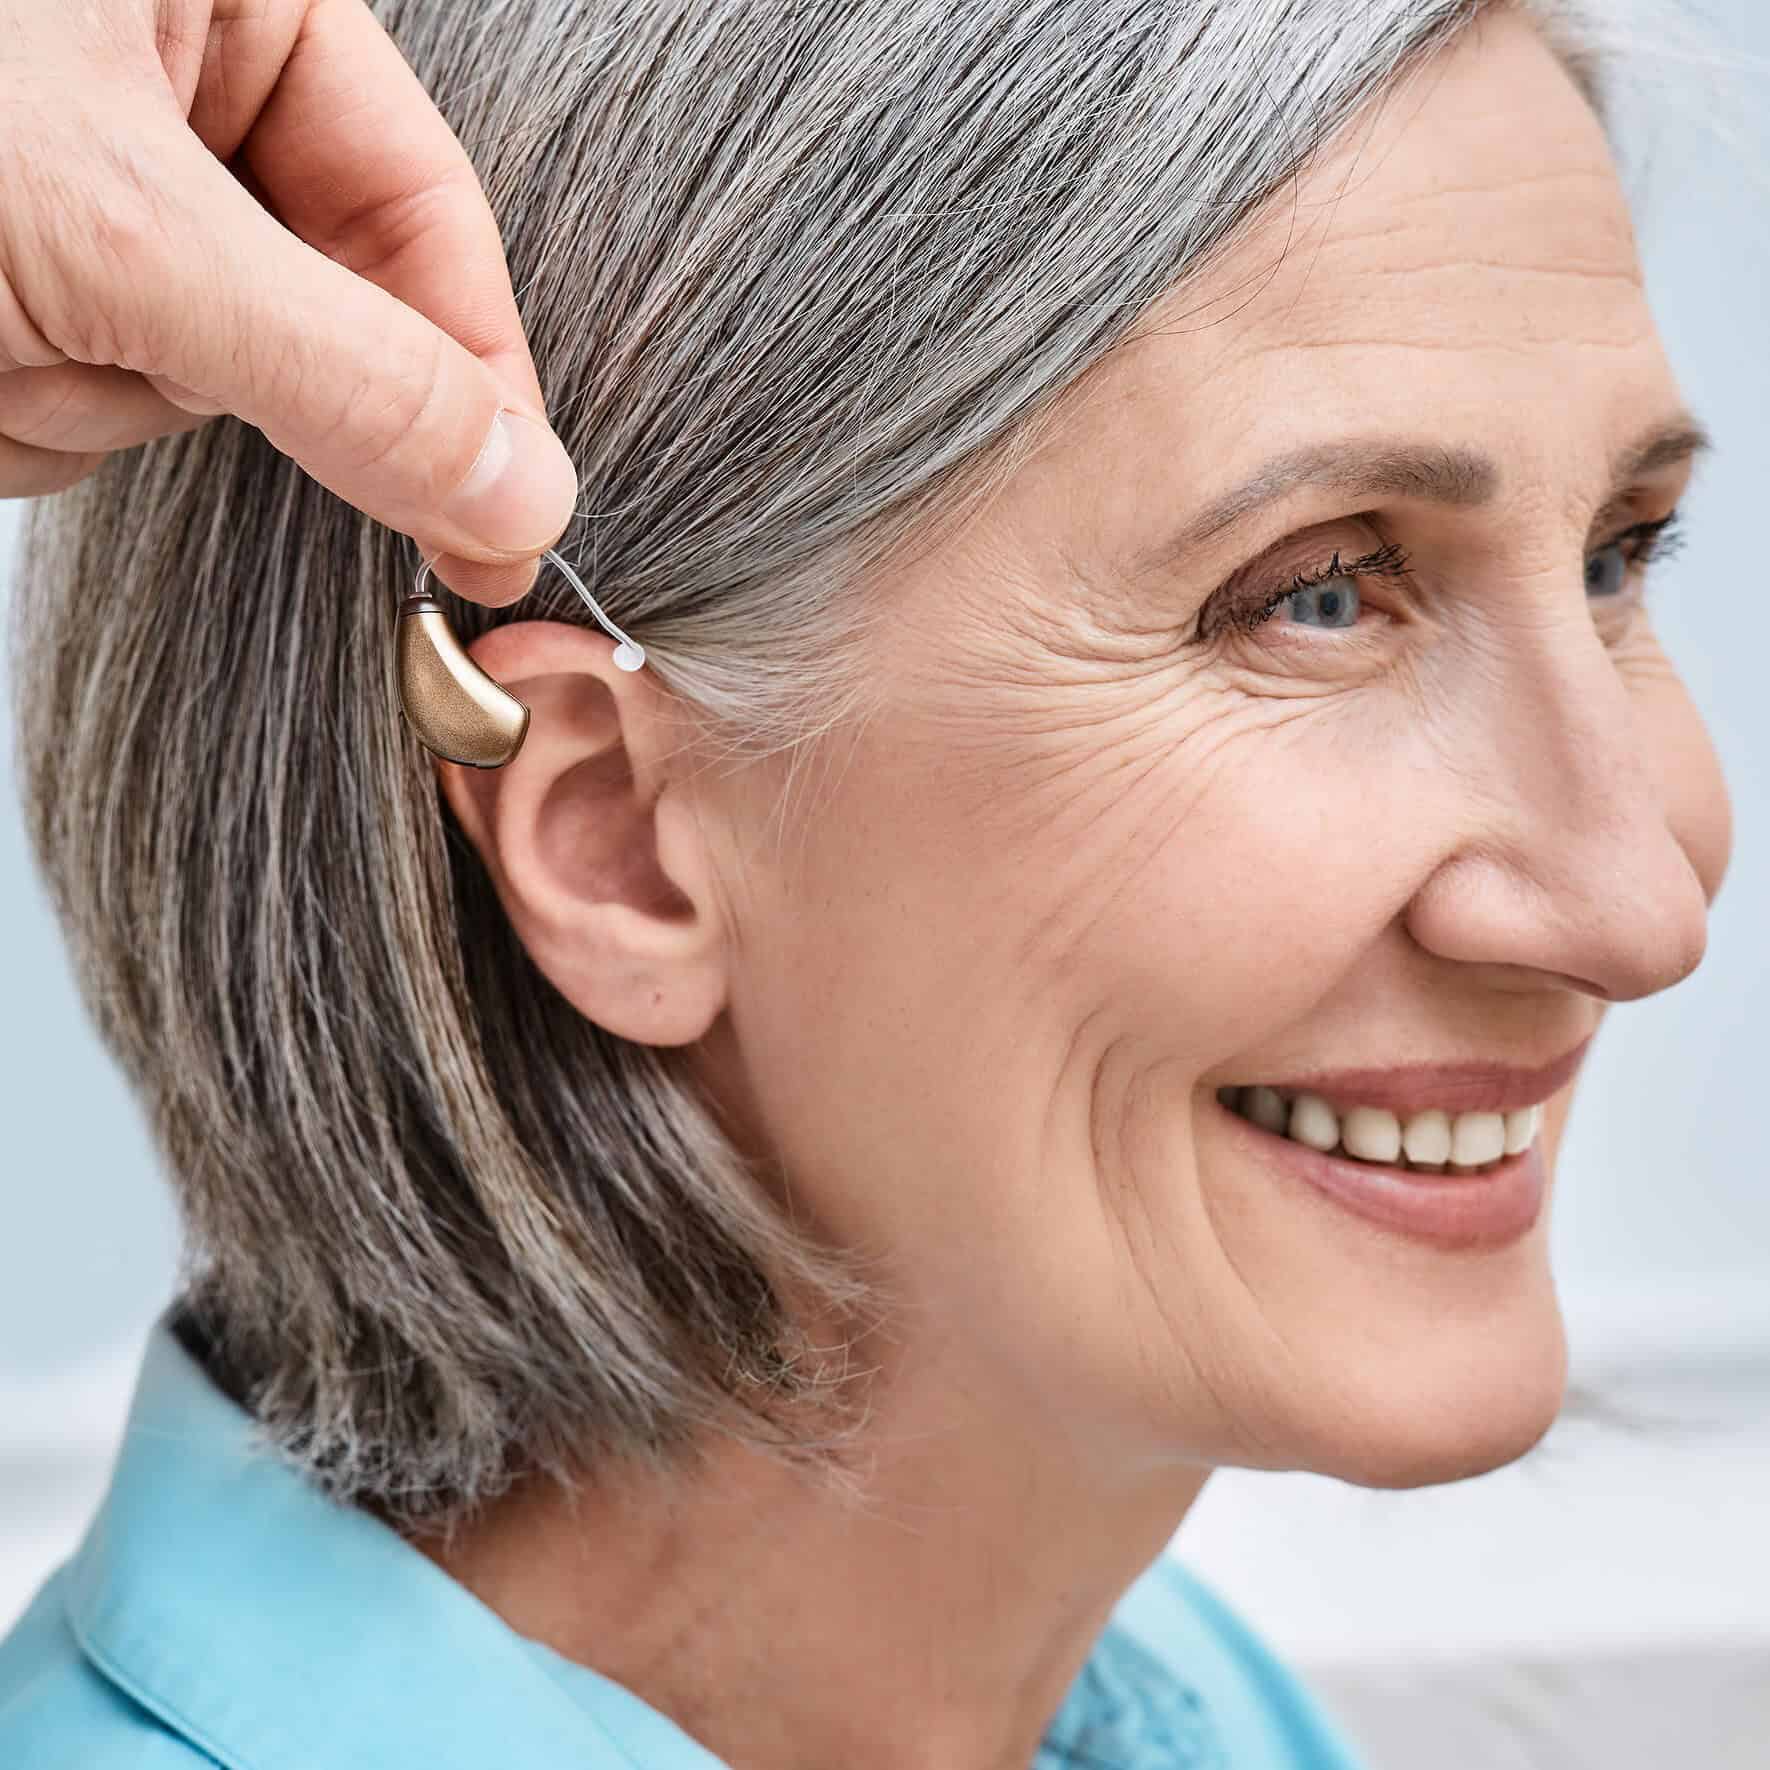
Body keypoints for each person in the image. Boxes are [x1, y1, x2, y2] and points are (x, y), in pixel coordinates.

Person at [0, 2, 1736, 1767]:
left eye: (1618, 553)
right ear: (614, 838)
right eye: (1314, 595)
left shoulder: (1182, 1718)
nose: (1637, 905)